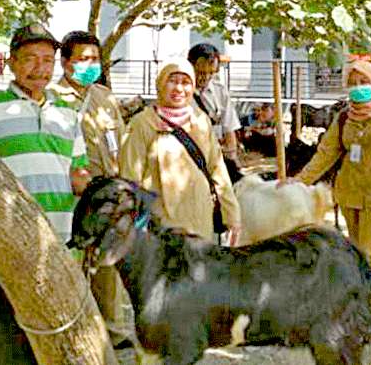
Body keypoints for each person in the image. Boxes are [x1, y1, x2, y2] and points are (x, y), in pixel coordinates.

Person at [0, 23, 91, 364]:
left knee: (55, 338)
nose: (39, 68)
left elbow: (78, 173)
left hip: (61, 244)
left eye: (48, 60)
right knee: (4, 340)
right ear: (11, 63)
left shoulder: (69, 114)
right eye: (30, 59)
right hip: (8, 243)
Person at [292, 60, 371, 343]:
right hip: (349, 196)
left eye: (364, 80)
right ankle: (361, 321)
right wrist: (299, 182)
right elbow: (327, 153)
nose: (359, 87)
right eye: (353, 81)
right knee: (356, 261)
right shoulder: (344, 117)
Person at [46, 30, 130, 346]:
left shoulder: (105, 97)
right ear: (66, 62)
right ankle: (74, 329)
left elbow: (118, 143)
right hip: (70, 195)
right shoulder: (52, 97)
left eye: (95, 59)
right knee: (72, 263)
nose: (90, 65)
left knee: (107, 264)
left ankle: (112, 329)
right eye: (83, 59)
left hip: (107, 194)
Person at [119, 61, 241, 242]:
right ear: (160, 84)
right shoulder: (142, 123)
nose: (179, 88)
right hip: (159, 224)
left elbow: (217, 169)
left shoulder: (201, 121)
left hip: (199, 217)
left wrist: (232, 215)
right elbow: (130, 178)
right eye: (173, 81)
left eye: (186, 82)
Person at [187, 43, 241, 163]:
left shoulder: (220, 91)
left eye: (211, 73)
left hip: (216, 156)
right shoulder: (180, 93)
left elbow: (229, 128)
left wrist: (232, 157)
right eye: (201, 72)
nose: (206, 77)